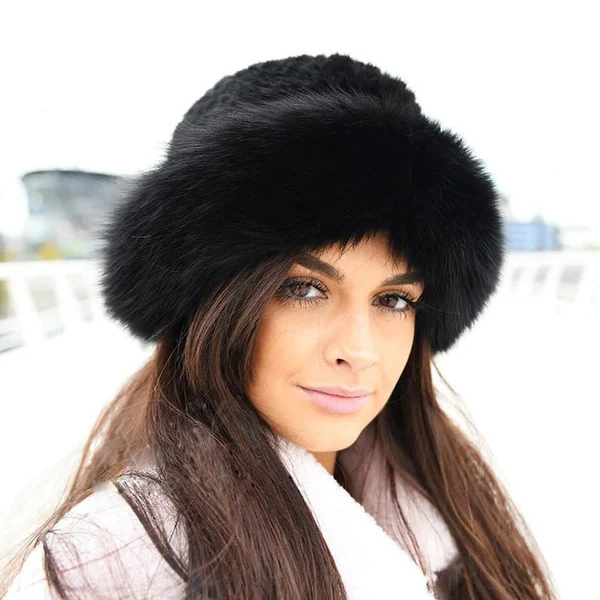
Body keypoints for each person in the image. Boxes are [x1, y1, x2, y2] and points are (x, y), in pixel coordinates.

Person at [2, 53, 557, 599]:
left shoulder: (451, 503)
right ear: (210, 304)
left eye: (393, 299)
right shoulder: (107, 563)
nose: (359, 350)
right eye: (304, 289)